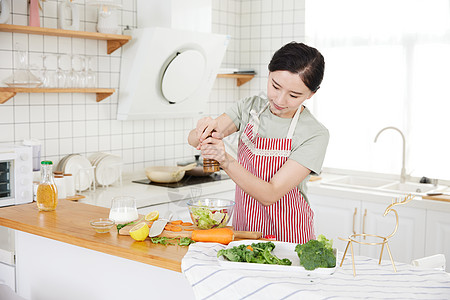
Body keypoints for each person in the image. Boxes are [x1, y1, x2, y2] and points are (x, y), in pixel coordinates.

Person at [188, 42, 329, 244]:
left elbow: (270, 194)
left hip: (290, 237)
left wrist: (225, 160)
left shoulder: (315, 134)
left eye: (294, 95)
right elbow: (194, 139)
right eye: (275, 86)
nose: (280, 99)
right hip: (244, 232)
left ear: (311, 94)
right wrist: (201, 129)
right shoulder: (249, 108)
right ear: (269, 74)